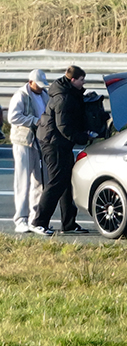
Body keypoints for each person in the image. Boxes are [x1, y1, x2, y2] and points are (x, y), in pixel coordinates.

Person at [30, 66, 91, 236]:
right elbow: (64, 126)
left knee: (66, 182)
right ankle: (39, 222)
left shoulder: (70, 93)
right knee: (56, 182)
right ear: (73, 80)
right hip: (53, 143)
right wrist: (82, 137)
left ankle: (69, 224)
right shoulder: (63, 98)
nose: (83, 82)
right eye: (81, 79)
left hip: (61, 143)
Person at [7, 69, 50, 233]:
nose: (40, 88)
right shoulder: (21, 95)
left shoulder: (44, 94)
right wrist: (34, 121)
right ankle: (20, 220)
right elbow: (13, 117)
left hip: (39, 141)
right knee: (23, 181)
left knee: (40, 180)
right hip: (23, 142)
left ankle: (35, 218)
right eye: (38, 85)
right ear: (30, 82)